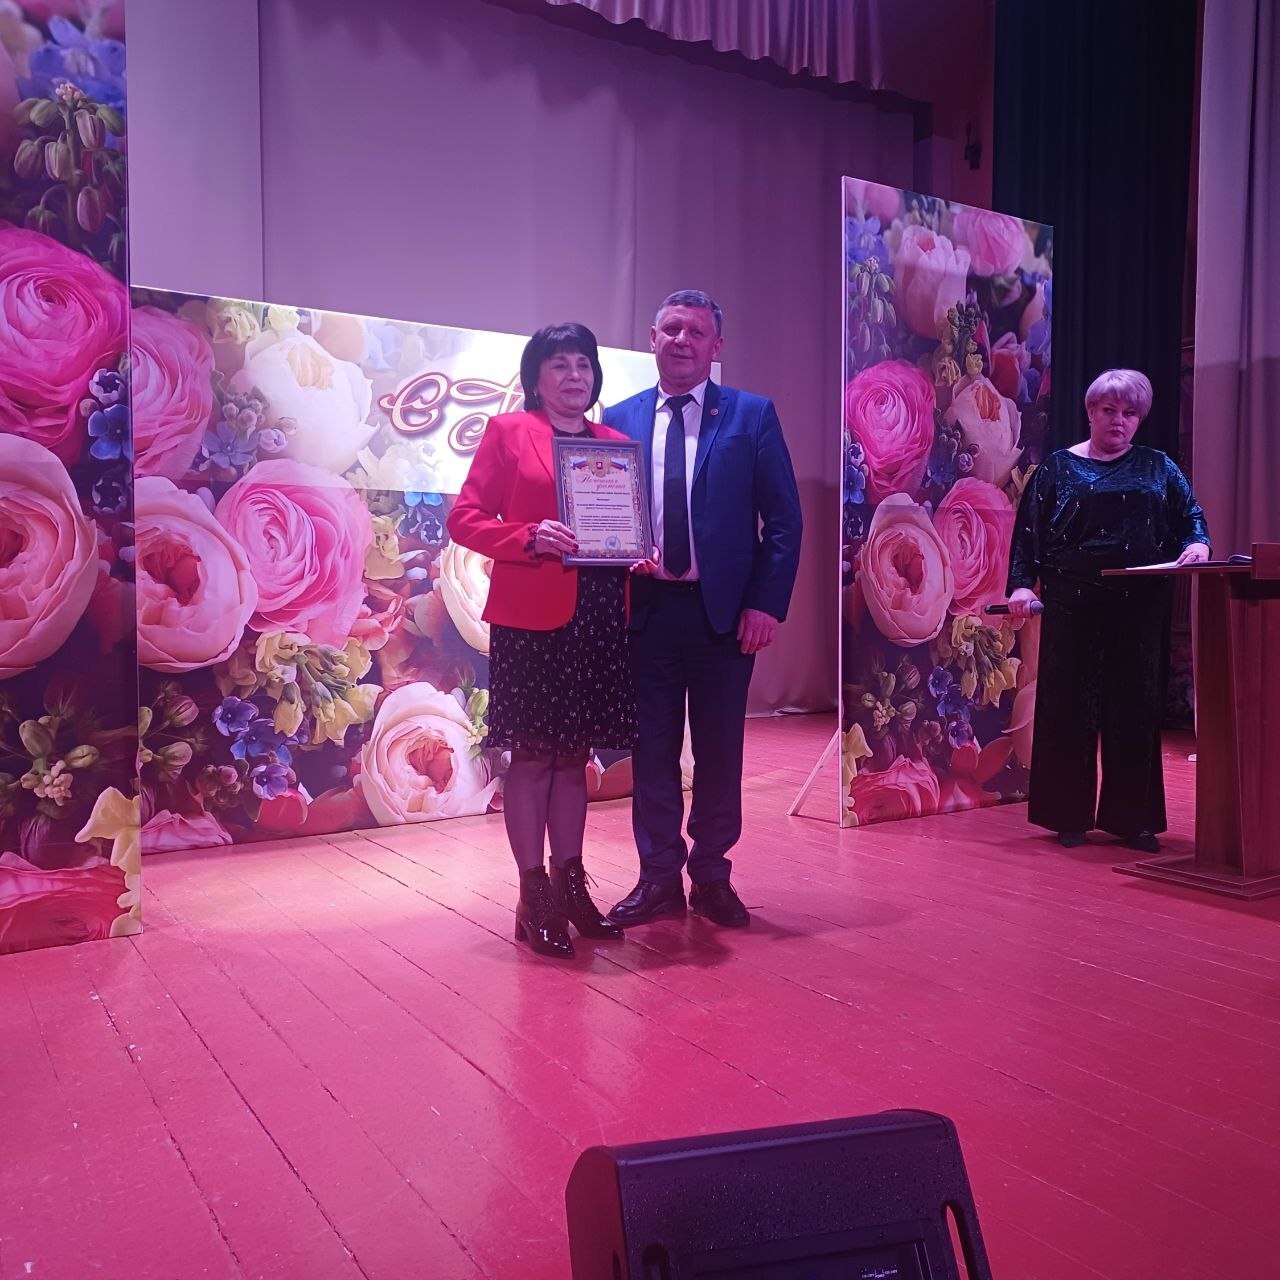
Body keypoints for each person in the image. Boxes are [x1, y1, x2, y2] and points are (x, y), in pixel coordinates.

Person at [602, 290, 803, 928]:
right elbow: (606, 514)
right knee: (651, 751)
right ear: (652, 339)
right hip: (646, 613)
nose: (681, 340)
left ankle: (712, 874)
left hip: (724, 617)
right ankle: (658, 876)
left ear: (716, 346)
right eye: (671, 329)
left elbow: (784, 521)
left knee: (719, 751)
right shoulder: (618, 418)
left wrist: (766, 604)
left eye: (696, 332)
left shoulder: (751, 415)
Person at [447, 323, 638, 959]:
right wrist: (526, 536)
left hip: (599, 613)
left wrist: (638, 549)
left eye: (583, 364)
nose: (574, 376)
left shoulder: (616, 446)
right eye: (559, 365)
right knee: (532, 756)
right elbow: (464, 518)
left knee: (573, 755)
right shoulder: (509, 433)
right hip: (531, 615)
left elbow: (625, 526)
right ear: (536, 378)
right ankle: (533, 896)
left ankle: (570, 886)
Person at [1006, 368, 1210, 852]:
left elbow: (1192, 518)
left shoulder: (1159, 467)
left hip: (1139, 603)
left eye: (1129, 413)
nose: (1119, 420)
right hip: (1072, 601)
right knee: (1068, 706)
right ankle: (1068, 815)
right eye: (1109, 410)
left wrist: (1198, 544)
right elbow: (1028, 532)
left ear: (1139, 418)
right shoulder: (1057, 468)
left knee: (1134, 707)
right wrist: (1020, 584)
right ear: (1091, 412)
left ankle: (1133, 820)